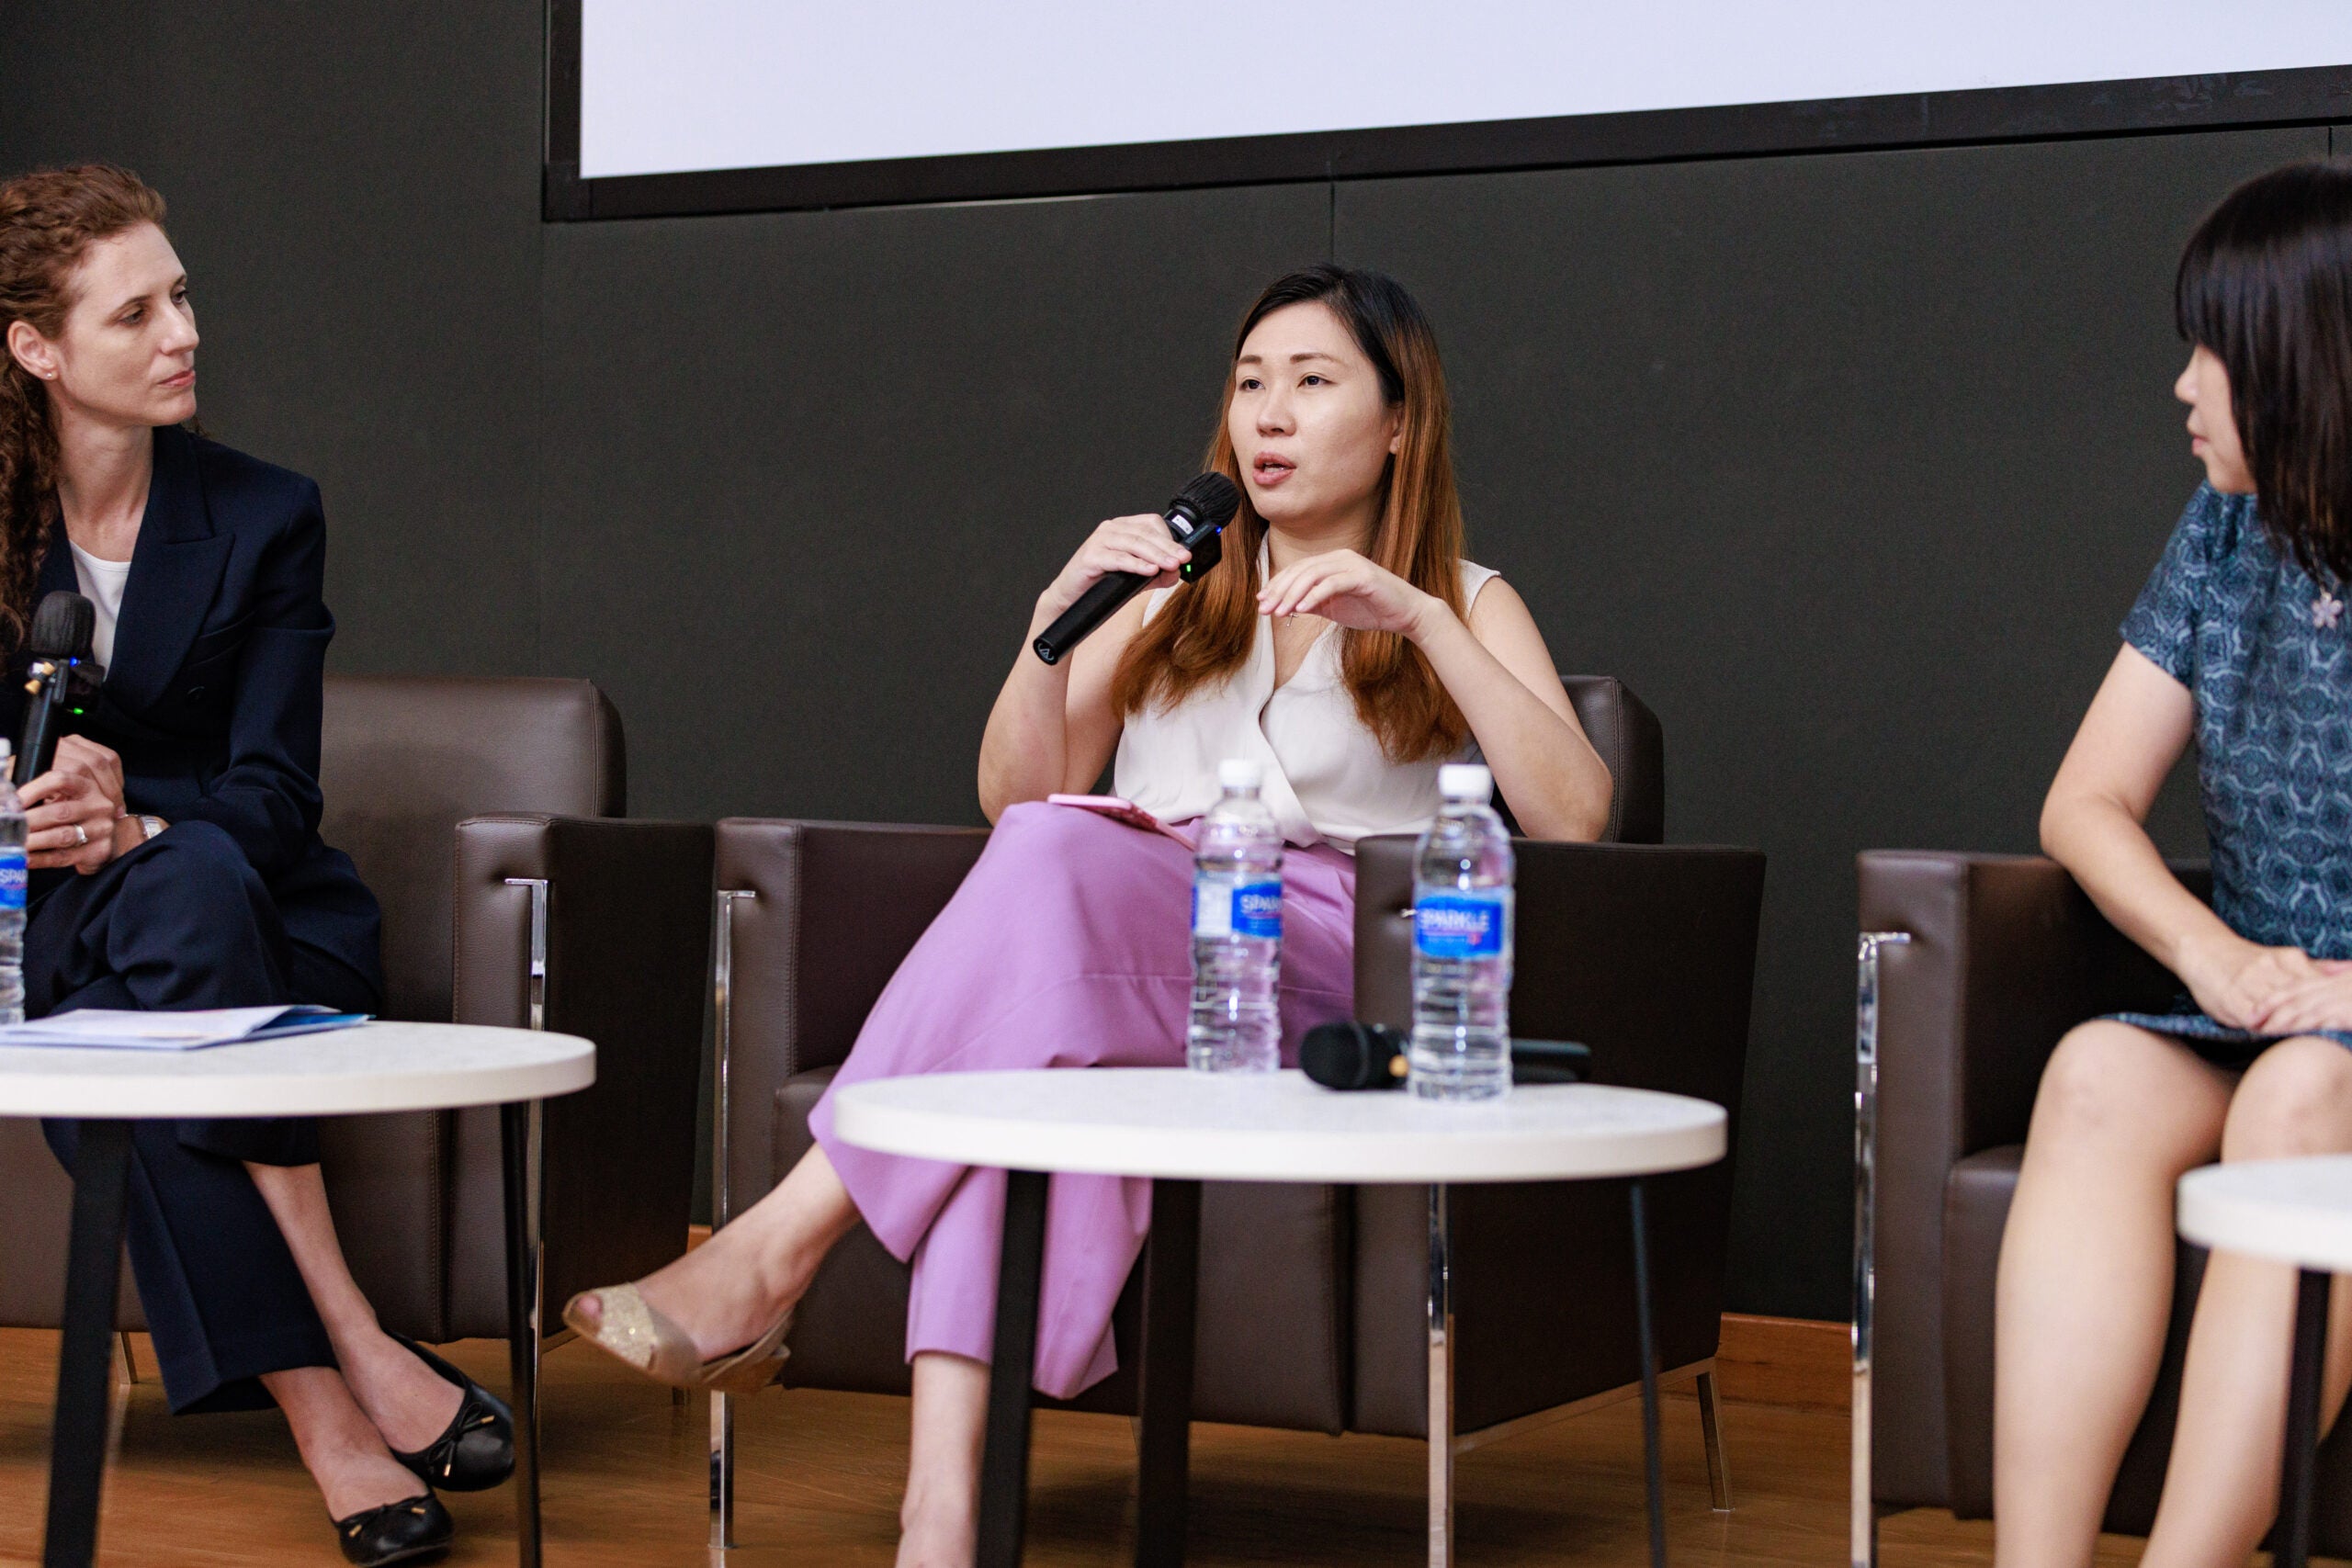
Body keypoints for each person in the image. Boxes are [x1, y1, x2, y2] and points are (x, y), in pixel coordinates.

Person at [567, 263, 1614, 1564]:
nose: (1269, 415)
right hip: (1122, 935)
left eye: (1312, 381)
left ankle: (775, 1248)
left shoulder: (1463, 594)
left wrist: (1422, 621)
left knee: (1062, 858)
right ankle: (939, 1524)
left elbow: (1576, 815)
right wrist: (1048, 632)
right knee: (1013, 1097)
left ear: (1401, 422)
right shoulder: (1180, 590)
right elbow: (1016, 800)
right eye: (1249, 384)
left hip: (1323, 961)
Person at [0, 164, 511, 1566]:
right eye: (135, 314)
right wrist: (34, 812)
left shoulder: (267, 513)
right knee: (156, 952)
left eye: (182, 297)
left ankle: (327, 1391)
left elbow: (277, 797)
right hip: (45, 924)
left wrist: (140, 824)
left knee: (187, 906)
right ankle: (340, 1358)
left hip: (262, 918)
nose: (184, 334)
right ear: (36, 349)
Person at [1998, 159, 2352, 1567]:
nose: (2185, 386)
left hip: (2330, 1046)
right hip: (2267, 1006)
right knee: (2095, 1072)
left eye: (2213, 350)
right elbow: (2085, 801)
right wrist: (2211, 954)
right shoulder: (2225, 530)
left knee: (2303, 1098)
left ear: (2303, 360)